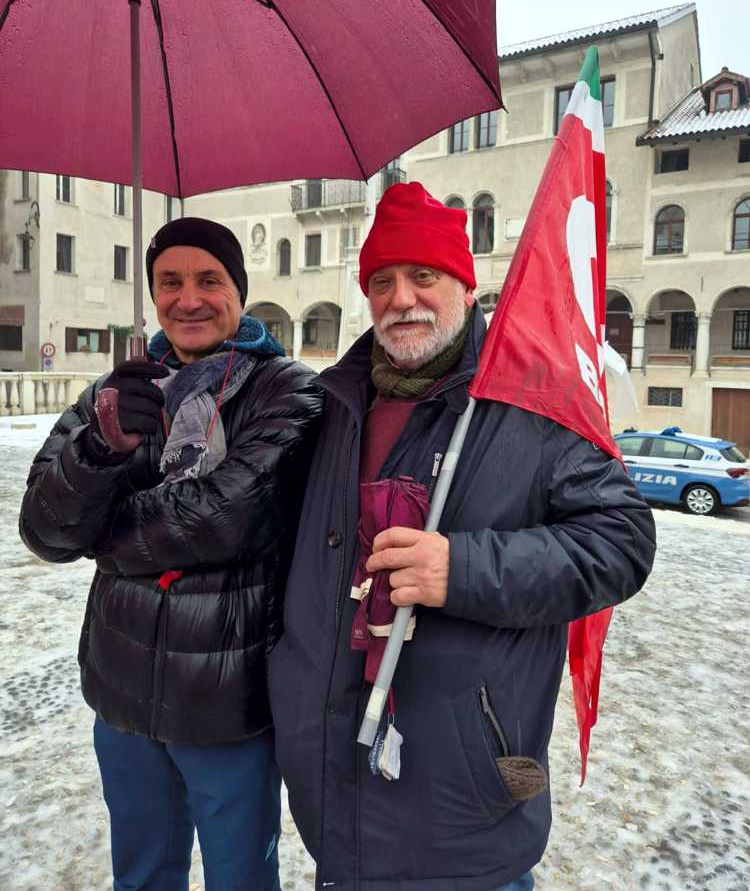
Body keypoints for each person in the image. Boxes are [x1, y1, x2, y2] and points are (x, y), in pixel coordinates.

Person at [268, 183, 656, 891]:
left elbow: (622, 541)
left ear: (466, 286)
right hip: (334, 792)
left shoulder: (535, 397)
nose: (401, 299)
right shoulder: (332, 403)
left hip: (461, 812)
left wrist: (464, 569)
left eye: (423, 275)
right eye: (381, 281)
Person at [20, 217, 322, 891]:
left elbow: (222, 519)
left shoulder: (287, 389)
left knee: (239, 879)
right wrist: (100, 449)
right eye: (170, 282)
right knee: (142, 876)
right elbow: (44, 530)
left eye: (209, 280)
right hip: (122, 696)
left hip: (227, 705)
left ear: (239, 291)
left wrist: (99, 529)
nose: (189, 299)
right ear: (153, 294)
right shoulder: (117, 393)